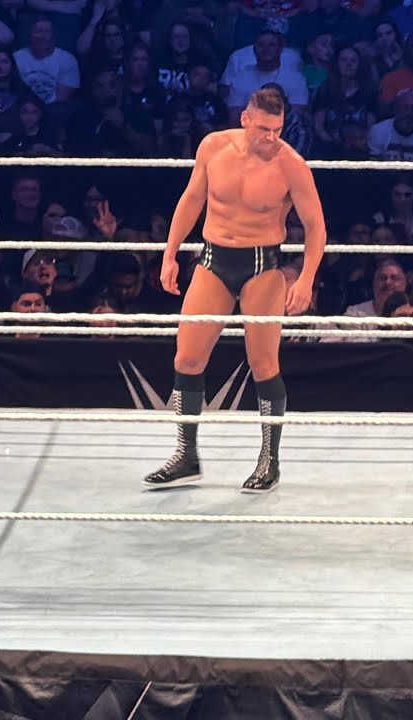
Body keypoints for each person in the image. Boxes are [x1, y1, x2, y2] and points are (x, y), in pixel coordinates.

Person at [144, 88, 327, 494]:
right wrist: (170, 254)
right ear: (245, 119)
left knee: (263, 363)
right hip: (213, 259)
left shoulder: (291, 166)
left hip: (262, 266)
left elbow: (316, 227)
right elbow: (192, 199)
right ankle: (186, 456)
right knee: (187, 357)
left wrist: (306, 278)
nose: (271, 138)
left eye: (277, 130)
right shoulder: (213, 147)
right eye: (263, 129)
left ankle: (269, 460)